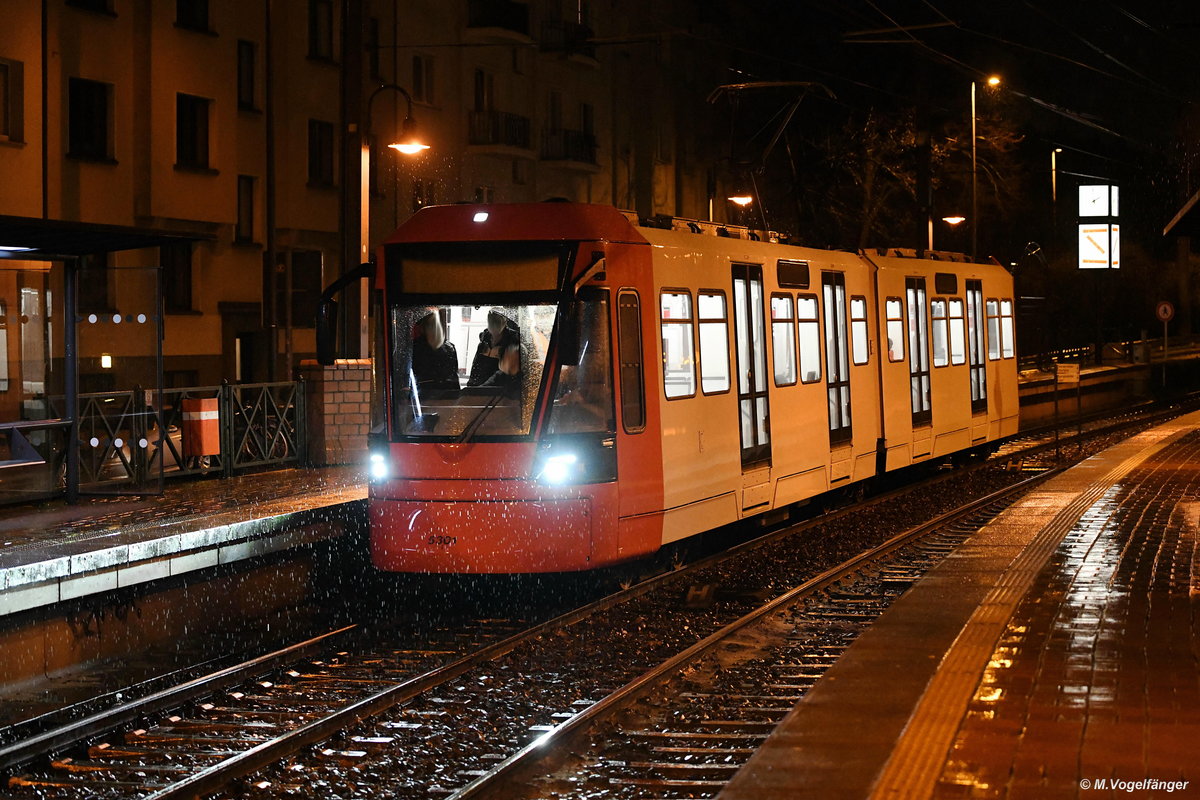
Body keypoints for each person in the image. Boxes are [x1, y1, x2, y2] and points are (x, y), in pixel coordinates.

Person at [467, 308, 521, 388]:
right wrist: (471, 385)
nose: (494, 326)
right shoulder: (484, 337)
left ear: (504, 322)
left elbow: (508, 372)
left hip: (498, 389)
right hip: (479, 386)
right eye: (492, 322)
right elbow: (477, 363)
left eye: (497, 322)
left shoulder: (513, 339)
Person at [410, 309, 460, 392]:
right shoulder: (449, 347)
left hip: (423, 394)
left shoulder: (416, 347)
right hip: (447, 395)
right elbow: (454, 377)